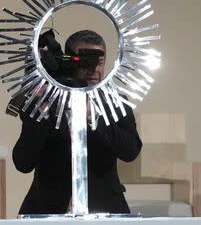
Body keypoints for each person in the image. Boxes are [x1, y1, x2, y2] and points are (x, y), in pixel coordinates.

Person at [11, 30, 141, 214]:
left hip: (105, 209)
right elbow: (23, 162)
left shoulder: (116, 103)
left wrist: (93, 116)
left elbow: (130, 151)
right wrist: (42, 108)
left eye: (99, 62)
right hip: (47, 210)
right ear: (68, 61)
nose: (93, 69)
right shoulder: (42, 103)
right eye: (85, 61)